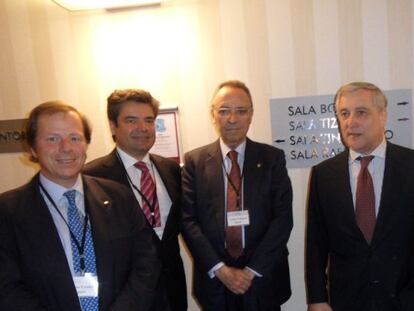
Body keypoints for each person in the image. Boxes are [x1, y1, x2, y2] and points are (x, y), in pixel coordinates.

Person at [0, 101, 160, 311]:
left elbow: (145, 265)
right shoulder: (8, 211)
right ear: (33, 148)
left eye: (75, 138)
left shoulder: (119, 197)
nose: (66, 148)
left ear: (85, 144)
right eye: (52, 139)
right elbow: (7, 287)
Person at [181, 80, 293, 310]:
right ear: (213, 115)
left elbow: (283, 219)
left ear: (251, 115)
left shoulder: (272, 159)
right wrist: (220, 269)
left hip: (264, 278)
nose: (232, 119)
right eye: (224, 111)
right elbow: (188, 221)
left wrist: (250, 272)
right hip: (215, 282)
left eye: (241, 111)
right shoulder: (195, 161)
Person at [305, 82, 414, 311]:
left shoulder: (410, 166)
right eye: (344, 113)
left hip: (404, 298)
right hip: (347, 301)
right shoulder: (324, 175)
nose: (350, 122)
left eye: (361, 112)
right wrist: (317, 298)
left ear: (383, 115)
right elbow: (316, 244)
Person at [83, 89, 187, 311]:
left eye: (149, 120)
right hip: (125, 296)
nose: (143, 128)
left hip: (172, 291)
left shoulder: (171, 170)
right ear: (113, 125)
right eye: (132, 120)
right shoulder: (91, 177)